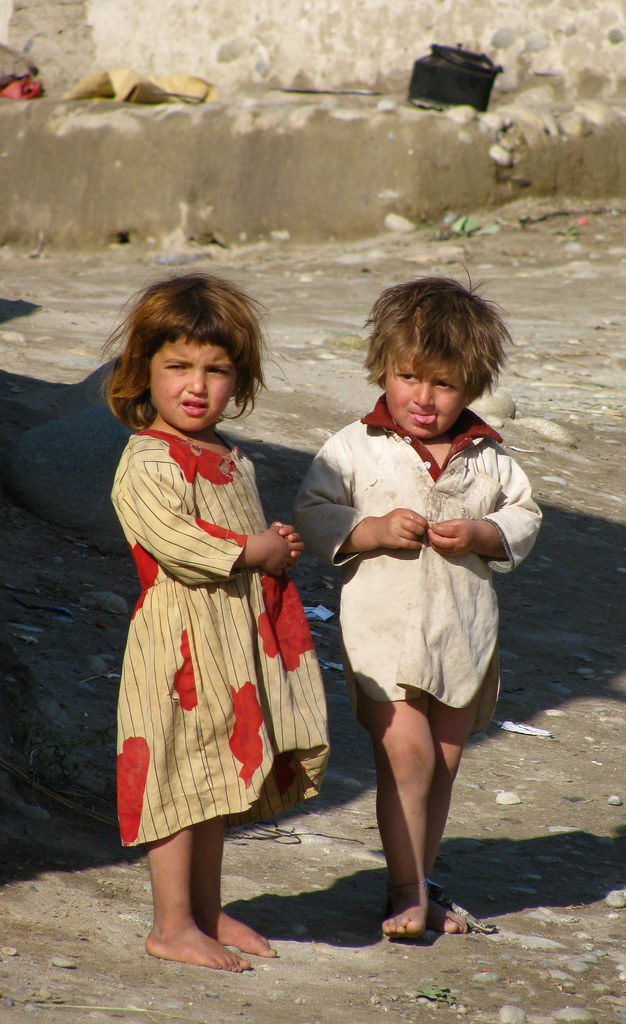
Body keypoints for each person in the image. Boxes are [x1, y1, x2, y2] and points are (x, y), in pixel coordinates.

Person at [294, 276, 541, 940]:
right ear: (383, 368)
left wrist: (486, 535)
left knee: (444, 763)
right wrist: (369, 530)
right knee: (408, 755)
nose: (424, 399)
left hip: (464, 634)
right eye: (409, 378)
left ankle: (421, 882)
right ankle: (403, 891)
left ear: (473, 384)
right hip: (384, 634)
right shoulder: (356, 446)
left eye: (444, 384)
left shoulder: (488, 456)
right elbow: (313, 510)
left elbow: (525, 514)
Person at [106, 273, 329, 971]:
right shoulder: (146, 460)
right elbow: (177, 543)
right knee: (176, 779)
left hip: (230, 644)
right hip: (179, 651)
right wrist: (248, 550)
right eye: (178, 367)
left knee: (212, 781)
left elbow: (241, 535)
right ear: (145, 370)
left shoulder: (229, 455)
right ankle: (171, 925)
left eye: (216, 370)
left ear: (239, 378)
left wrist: (273, 546)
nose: (196, 385)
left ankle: (204, 911)